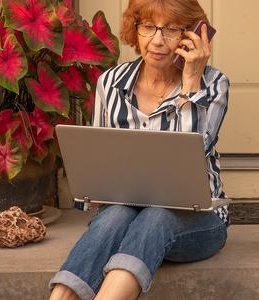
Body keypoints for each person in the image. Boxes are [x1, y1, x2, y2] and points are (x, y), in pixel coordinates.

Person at [49, 0, 230, 299]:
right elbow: (98, 166)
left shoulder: (213, 84)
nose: (158, 40)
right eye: (148, 26)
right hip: (124, 215)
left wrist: (190, 81)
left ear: (192, 35)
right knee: (118, 213)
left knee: (157, 214)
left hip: (198, 221)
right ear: (135, 29)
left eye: (171, 29)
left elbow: (195, 153)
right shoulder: (110, 82)